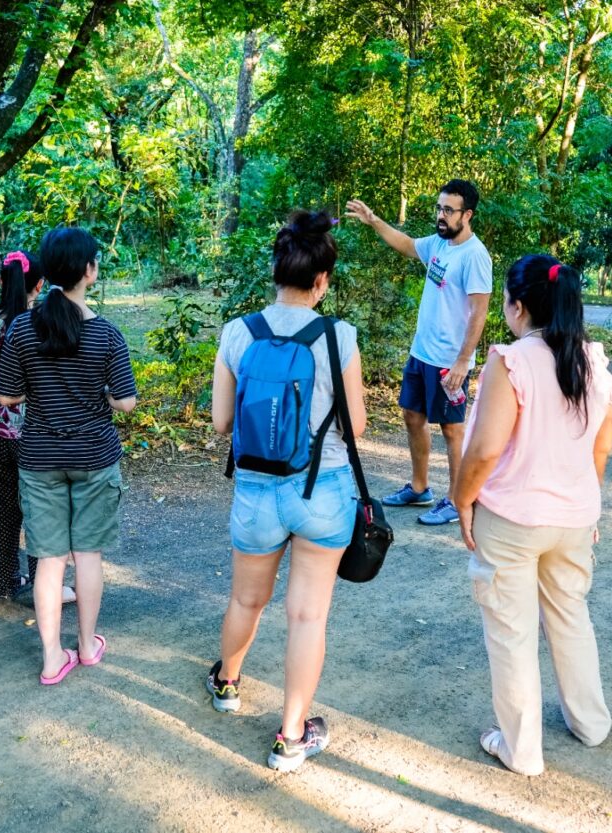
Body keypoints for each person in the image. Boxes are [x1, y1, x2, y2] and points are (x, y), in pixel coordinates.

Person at [208, 211, 367, 772]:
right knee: (307, 618)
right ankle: (291, 739)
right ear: (322, 280)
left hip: (255, 490)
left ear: (274, 272)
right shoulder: (338, 336)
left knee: (246, 599)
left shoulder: (237, 331)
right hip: (322, 490)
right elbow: (358, 427)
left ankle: (227, 683)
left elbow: (222, 422)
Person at [451, 254, 612, 776]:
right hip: (574, 518)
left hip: (513, 519)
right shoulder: (594, 361)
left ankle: (521, 749)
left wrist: (461, 499)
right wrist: (585, 505)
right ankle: (590, 722)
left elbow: (481, 452)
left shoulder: (512, 360)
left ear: (518, 306)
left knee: (511, 631)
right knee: (571, 619)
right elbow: (601, 449)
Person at [0, 227, 137, 685]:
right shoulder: (106, 335)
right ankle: (88, 645)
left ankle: (53, 656)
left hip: (39, 458)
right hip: (95, 456)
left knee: (50, 560)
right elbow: (125, 402)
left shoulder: (20, 328)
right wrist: (97, 392)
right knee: (87, 555)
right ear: (89, 271)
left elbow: (8, 397)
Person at [346, 180, 492, 526]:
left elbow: (479, 312)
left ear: (467, 214)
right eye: (439, 208)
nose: (441, 216)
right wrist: (374, 221)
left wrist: (461, 361)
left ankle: (458, 501)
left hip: (448, 362)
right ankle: (419, 486)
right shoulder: (439, 244)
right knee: (412, 416)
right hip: (422, 352)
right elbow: (409, 246)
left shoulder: (475, 256)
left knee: (452, 430)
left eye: (449, 210)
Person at [0, 250, 76, 604]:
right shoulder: (49, 322)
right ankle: (41, 586)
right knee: (41, 512)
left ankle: (3, 586)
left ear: (1, 280)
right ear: (40, 284)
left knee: (2, 512)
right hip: (39, 433)